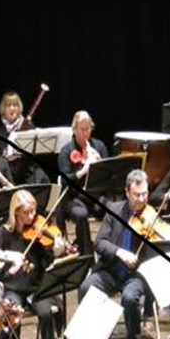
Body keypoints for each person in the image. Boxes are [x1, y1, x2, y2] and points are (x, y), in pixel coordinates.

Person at [76, 169, 170, 339]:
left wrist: (162, 234)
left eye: (145, 194)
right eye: (137, 195)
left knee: (129, 298)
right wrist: (120, 252)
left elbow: (167, 239)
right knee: (86, 287)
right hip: (111, 270)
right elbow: (100, 243)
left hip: (136, 275)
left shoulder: (151, 215)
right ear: (127, 192)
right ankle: (88, 338)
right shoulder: (114, 210)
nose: (142, 199)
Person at [0, 189, 67, 339]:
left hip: (36, 286)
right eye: (26, 212)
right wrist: (8, 260)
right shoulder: (3, 233)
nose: (32, 217)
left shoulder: (40, 233)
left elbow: (49, 261)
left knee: (46, 312)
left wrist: (57, 251)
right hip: (12, 286)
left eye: (33, 211)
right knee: (12, 313)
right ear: (16, 212)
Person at [57, 110, 109, 256]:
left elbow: (109, 174)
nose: (86, 133)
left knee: (113, 208)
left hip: (93, 195)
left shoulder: (99, 146)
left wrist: (100, 165)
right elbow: (64, 181)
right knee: (81, 214)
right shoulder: (66, 151)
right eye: (82, 129)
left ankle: (105, 246)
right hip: (72, 197)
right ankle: (86, 254)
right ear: (74, 130)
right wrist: (84, 169)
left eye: (89, 129)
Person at [0, 91, 41, 184]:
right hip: (5, 173)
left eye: (15, 105)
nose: (12, 108)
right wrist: (5, 157)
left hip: (26, 171)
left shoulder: (28, 125)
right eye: (8, 106)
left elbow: (33, 153)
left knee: (41, 177)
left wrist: (19, 154)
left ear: (19, 108)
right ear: (3, 109)